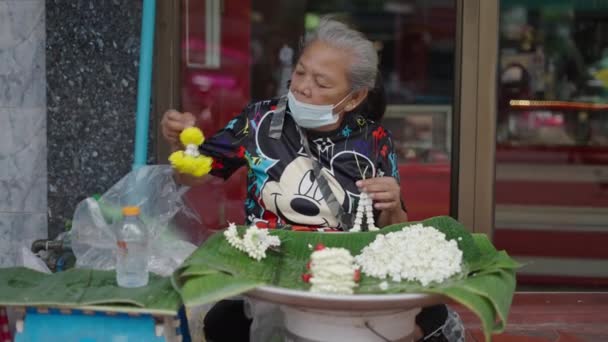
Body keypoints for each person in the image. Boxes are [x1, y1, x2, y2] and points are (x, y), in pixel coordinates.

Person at [162, 17, 463, 342]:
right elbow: (193, 174)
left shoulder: (374, 139)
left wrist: (391, 202)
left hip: (347, 279)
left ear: (353, 98)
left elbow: (393, 230)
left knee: (434, 313)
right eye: (301, 72)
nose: (303, 86)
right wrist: (181, 144)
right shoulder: (259, 120)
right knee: (223, 322)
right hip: (272, 275)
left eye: (322, 83)